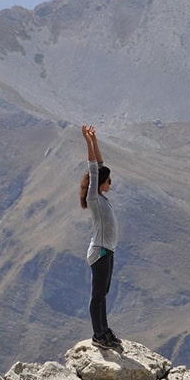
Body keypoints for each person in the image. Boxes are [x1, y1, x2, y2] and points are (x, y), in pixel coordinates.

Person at [80, 124, 122, 349]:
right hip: (100, 251)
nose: (110, 184)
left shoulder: (102, 198)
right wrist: (87, 143)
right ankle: (98, 335)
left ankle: (104, 330)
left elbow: (101, 166)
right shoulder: (94, 198)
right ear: (100, 184)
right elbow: (94, 169)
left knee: (103, 293)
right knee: (97, 295)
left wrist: (95, 141)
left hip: (108, 250)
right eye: (108, 181)